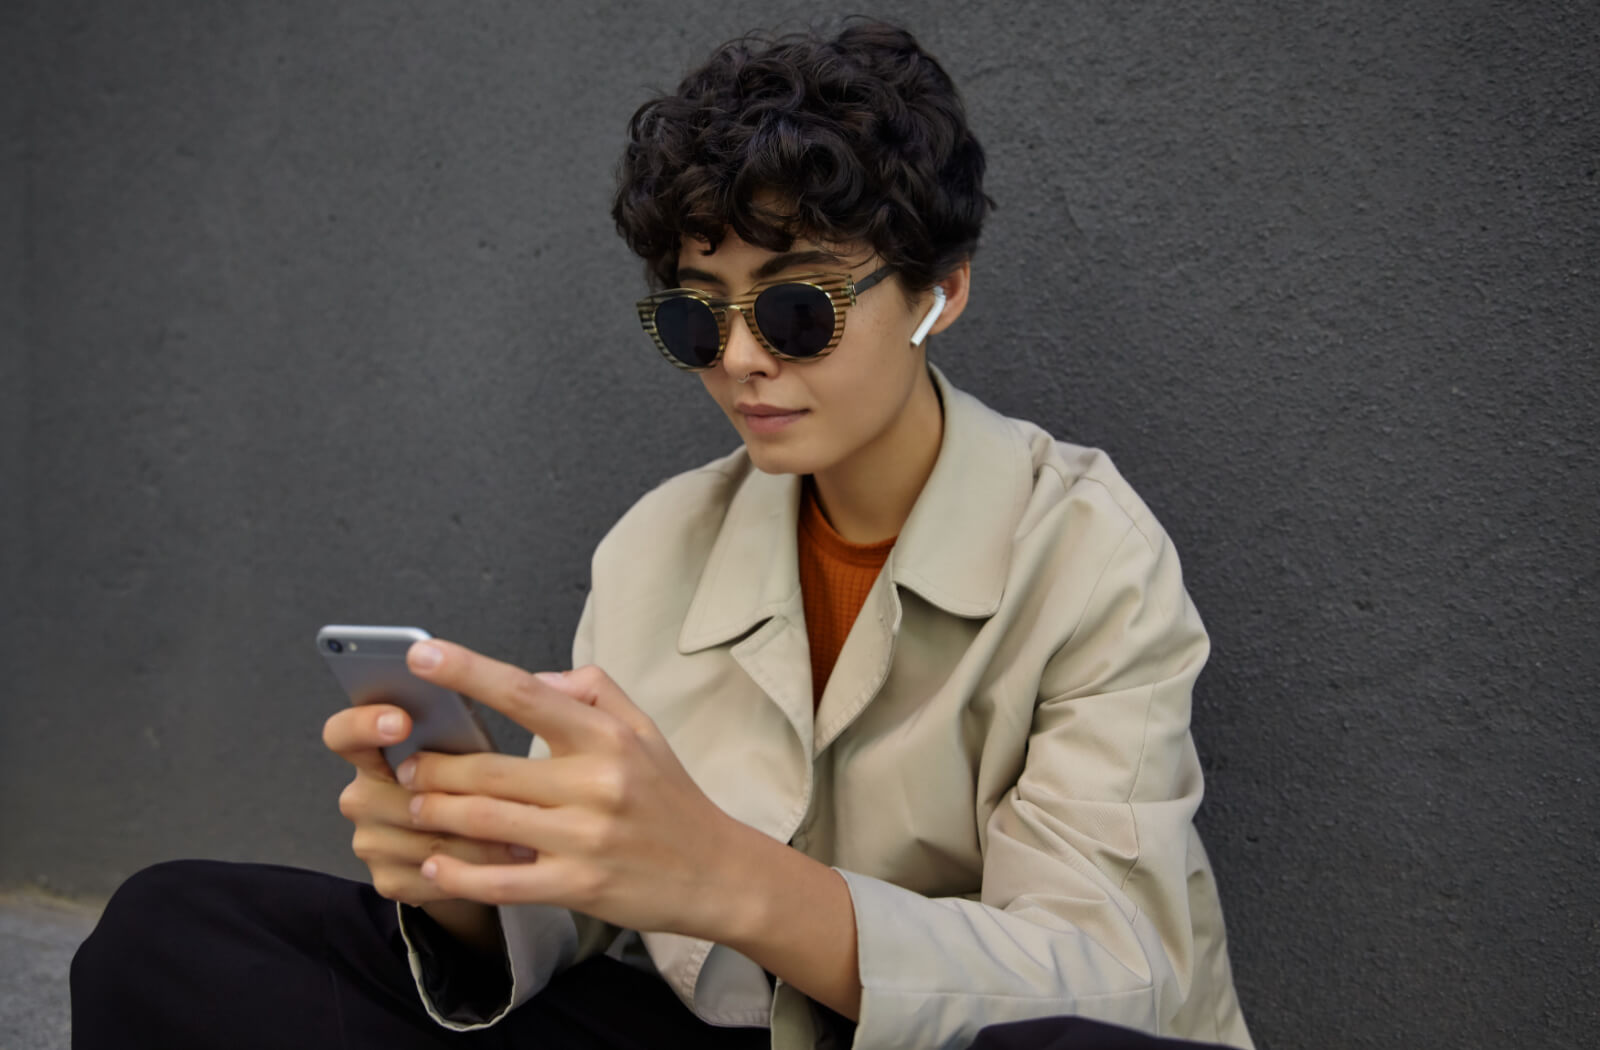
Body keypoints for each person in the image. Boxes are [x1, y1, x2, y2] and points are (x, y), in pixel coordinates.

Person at [71, 20, 1253, 1050]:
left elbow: (1112, 981)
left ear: (940, 290)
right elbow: (582, 914)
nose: (742, 359)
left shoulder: (1089, 554)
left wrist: (742, 885)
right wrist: (467, 882)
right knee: (174, 934)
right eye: (699, 316)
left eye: (798, 307)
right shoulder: (658, 545)